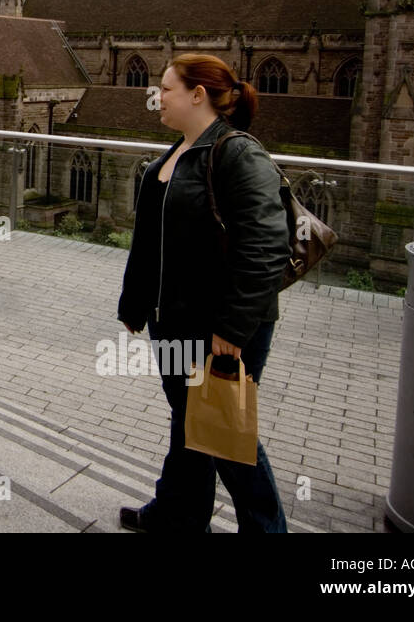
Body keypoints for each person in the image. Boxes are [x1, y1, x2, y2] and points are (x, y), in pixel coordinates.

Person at [116, 53, 290, 534]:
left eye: (166, 88)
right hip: (172, 318)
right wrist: (135, 303)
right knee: (188, 421)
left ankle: (266, 529)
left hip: (223, 327)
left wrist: (232, 330)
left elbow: (265, 246)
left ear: (198, 95)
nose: (158, 96)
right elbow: (152, 243)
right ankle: (179, 514)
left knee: (226, 438)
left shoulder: (237, 152)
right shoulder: (174, 154)